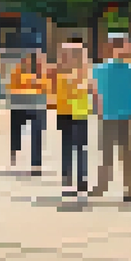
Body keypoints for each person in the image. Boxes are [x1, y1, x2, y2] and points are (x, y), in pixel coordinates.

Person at [90, 33, 131, 203]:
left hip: (114, 115)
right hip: (122, 115)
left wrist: (98, 108)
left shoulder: (100, 70)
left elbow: (94, 91)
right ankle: (128, 188)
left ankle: (106, 186)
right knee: (125, 153)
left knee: (112, 152)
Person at [54, 41, 93, 198]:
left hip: (79, 111)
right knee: (68, 146)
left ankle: (81, 178)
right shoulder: (61, 71)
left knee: (79, 146)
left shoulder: (84, 73)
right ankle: (68, 177)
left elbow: (87, 88)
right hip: (65, 111)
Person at [8, 50, 48, 176]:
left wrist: (36, 81)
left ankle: (36, 164)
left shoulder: (43, 71)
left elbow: (48, 85)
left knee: (37, 135)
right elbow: (13, 86)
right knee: (15, 132)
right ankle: (13, 151)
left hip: (38, 106)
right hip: (20, 105)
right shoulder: (18, 70)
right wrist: (31, 81)